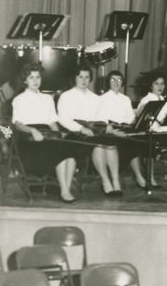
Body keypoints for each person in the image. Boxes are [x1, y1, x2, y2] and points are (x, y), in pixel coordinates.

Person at [11, 65, 86, 203]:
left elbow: (52, 122)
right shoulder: (19, 99)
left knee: (70, 149)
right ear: (25, 81)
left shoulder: (47, 98)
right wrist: (33, 130)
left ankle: (65, 189)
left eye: (38, 77)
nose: (35, 80)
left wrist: (59, 135)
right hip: (29, 139)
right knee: (58, 152)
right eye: (31, 77)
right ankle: (65, 191)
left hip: (48, 135)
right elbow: (18, 125)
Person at [57, 66, 123, 196]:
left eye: (87, 77)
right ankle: (105, 181)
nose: (84, 80)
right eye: (80, 77)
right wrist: (81, 128)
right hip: (74, 133)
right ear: (74, 78)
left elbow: (102, 116)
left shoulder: (95, 98)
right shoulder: (66, 96)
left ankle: (115, 181)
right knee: (98, 145)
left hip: (93, 131)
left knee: (110, 142)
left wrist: (106, 125)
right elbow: (62, 119)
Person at [96, 70, 149, 190]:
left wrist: (135, 124)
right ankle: (138, 177)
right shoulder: (101, 99)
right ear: (108, 82)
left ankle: (139, 176)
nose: (116, 83)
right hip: (109, 131)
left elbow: (130, 118)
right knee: (128, 144)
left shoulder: (126, 99)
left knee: (134, 142)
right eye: (113, 80)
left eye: (119, 80)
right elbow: (101, 121)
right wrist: (115, 131)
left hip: (124, 128)